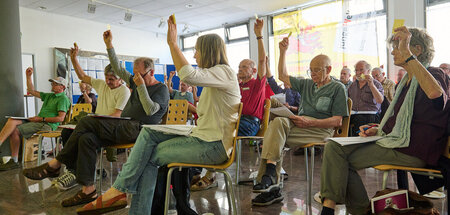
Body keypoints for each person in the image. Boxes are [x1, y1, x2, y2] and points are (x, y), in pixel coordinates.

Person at [73, 15, 240, 215]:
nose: (195, 56)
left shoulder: (225, 72)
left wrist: (172, 43)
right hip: (203, 137)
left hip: (214, 146)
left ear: (207, 51)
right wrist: (110, 46)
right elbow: (119, 68)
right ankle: (119, 192)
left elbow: (187, 76)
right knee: (148, 134)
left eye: (196, 50)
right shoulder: (216, 75)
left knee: (149, 155)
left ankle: (122, 196)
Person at [22, 30, 169, 208]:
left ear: (151, 72)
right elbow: (117, 66)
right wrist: (109, 45)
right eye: (135, 74)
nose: (135, 77)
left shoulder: (161, 89)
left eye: (140, 74)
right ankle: (88, 190)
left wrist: (140, 87)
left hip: (140, 130)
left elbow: (151, 110)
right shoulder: (136, 81)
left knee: (86, 121)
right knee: (86, 138)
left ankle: (55, 164)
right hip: (124, 125)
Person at [319, 26, 449, 215]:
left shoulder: (435, 74)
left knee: (340, 159)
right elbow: (398, 121)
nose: (394, 51)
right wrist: (378, 129)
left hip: (413, 150)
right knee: (333, 146)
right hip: (397, 143)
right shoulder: (405, 83)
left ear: (417, 49)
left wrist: (408, 54)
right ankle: (340, 208)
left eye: (398, 46)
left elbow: (436, 95)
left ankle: (350, 210)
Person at [251, 36, 348, 206]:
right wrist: (282, 51)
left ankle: (270, 184)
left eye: (317, 70)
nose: (313, 74)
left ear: (329, 69)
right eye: (311, 70)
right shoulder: (307, 84)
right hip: (298, 124)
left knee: (274, 135)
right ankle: (270, 176)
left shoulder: (337, 88)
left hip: (320, 129)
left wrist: (311, 123)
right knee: (278, 124)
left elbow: (338, 121)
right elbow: (282, 75)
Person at [190, 19, 268, 192]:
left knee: (217, 132)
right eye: (239, 66)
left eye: (245, 67)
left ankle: (209, 175)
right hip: (232, 121)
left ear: (254, 71)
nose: (240, 69)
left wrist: (259, 36)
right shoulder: (234, 84)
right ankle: (196, 170)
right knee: (204, 129)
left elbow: (263, 60)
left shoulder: (257, 83)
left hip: (249, 123)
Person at [54, 43, 131, 191]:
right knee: (66, 132)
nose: (108, 82)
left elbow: (117, 115)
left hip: (111, 128)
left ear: (121, 79)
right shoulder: (102, 85)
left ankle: (75, 172)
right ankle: (73, 170)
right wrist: (74, 58)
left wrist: (95, 121)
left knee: (85, 137)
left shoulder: (124, 92)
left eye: (112, 79)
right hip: (96, 124)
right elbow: (82, 76)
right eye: (107, 78)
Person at [0, 68, 70, 171]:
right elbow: (31, 91)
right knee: (12, 120)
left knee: (15, 130)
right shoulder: (49, 96)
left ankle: (14, 160)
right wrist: (28, 76)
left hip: (47, 124)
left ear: (62, 87)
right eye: (52, 83)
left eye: (55, 84)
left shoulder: (63, 99)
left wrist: (41, 118)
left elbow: (60, 118)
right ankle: (9, 155)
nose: (52, 85)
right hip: (39, 120)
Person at [348, 60, 384, 136]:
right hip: (354, 114)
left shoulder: (376, 84)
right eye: (356, 70)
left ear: (368, 71)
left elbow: (380, 100)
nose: (358, 73)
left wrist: (371, 85)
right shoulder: (352, 85)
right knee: (344, 121)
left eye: (361, 70)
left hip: (370, 115)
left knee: (360, 120)